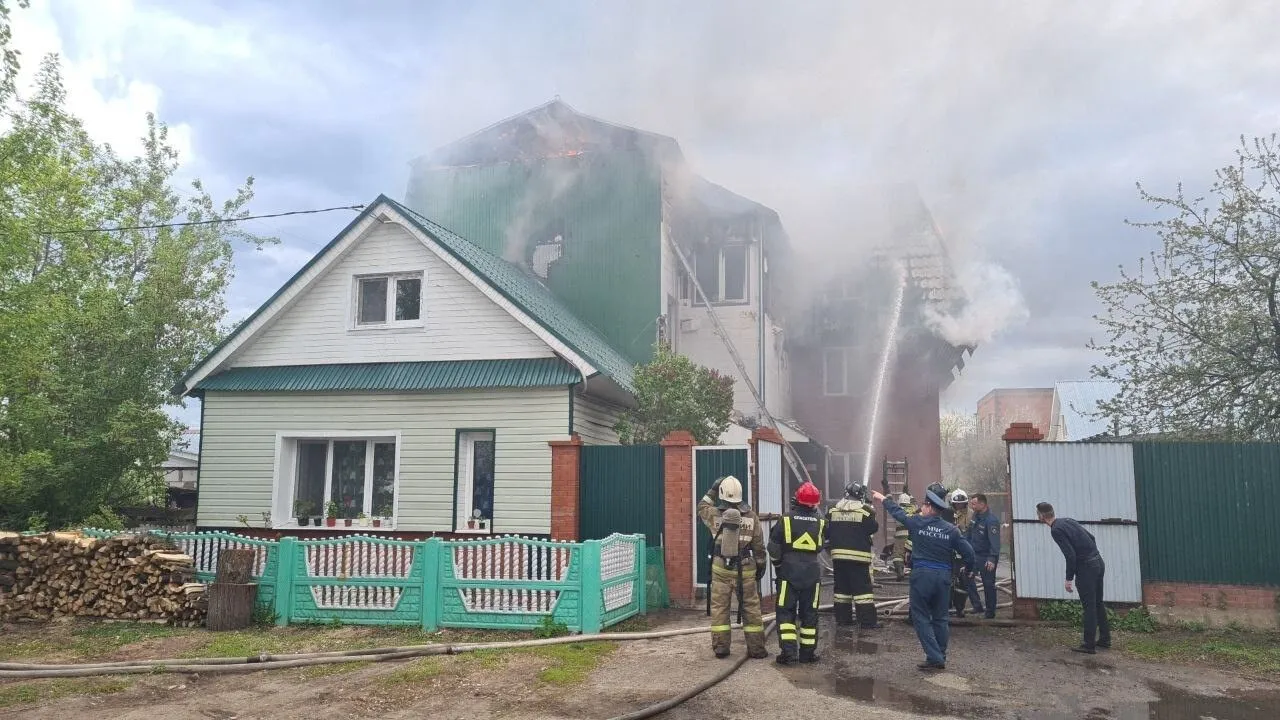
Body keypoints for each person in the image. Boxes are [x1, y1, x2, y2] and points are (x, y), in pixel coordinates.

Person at [871, 483, 975, 671]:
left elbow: (898, 514)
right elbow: (969, 553)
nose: (921, 508)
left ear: (929, 507)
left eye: (924, 505)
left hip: (922, 576)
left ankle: (935, 657)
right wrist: (969, 569)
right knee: (941, 618)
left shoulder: (917, 523)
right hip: (943, 577)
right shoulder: (951, 530)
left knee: (920, 617)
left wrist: (884, 499)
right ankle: (939, 654)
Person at [697, 475, 768, 660]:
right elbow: (759, 547)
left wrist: (713, 489)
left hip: (720, 569)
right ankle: (757, 649)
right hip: (745, 569)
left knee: (720, 609)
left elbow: (701, 507)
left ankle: (721, 648)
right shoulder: (752, 517)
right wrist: (761, 566)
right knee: (751, 608)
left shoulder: (713, 514)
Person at [1037, 502, 1111, 654]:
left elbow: (1070, 555)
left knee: (1089, 606)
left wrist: (1068, 578)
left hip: (1087, 568)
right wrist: (1092, 555)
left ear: (1041, 516)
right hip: (1098, 562)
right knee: (1098, 603)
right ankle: (1105, 639)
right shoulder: (1068, 521)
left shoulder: (1056, 530)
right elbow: (1092, 537)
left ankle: (1088, 644)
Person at [769, 481, 827, 665]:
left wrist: (778, 566)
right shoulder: (821, 521)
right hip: (812, 571)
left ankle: (789, 653)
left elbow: (773, 547)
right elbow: (824, 544)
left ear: (798, 499)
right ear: (815, 502)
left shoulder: (786, 519)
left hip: (789, 572)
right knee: (810, 613)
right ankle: (807, 654)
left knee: (786, 613)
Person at [826, 482, 879, 628]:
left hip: (838, 558)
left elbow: (827, 531)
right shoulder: (866, 512)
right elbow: (873, 528)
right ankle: (867, 622)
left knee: (842, 590)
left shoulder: (832, 510)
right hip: (858, 559)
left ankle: (843, 620)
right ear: (861, 496)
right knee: (863, 593)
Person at [966, 493, 1000, 619]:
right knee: (967, 578)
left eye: (974, 504)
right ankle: (977, 606)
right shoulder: (975, 517)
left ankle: (990, 611)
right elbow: (969, 535)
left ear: (982, 504)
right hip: (974, 555)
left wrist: (992, 559)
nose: (972, 506)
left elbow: (995, 543)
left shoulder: (991, 520)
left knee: (988, 584)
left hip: (986, 557)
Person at [949, 489, 972, 617]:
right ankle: (946, 605)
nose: (959, 506)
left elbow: (971, 534)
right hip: (950, 554)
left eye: (962, 504)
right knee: (948, 581)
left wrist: (961, 530)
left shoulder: (970, 515)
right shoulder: (947, 514)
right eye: (957, 504)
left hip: (963, 554)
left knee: (963, 582)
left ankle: (960, 608)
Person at [891, 492, 917, 581]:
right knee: (913, 554)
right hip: (912, 536)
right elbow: (914, 502)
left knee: (897, 555)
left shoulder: (898, 509)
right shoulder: (914, 508)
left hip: (900, 536)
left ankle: (900, 572)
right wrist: (910, 495)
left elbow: (890, 506)